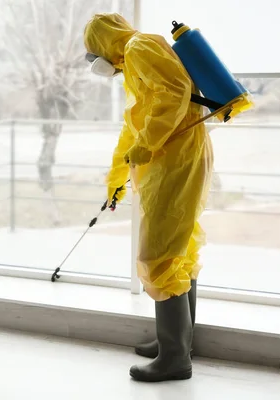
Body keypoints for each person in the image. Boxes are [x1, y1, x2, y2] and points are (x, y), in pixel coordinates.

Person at [83, 13, 213, 382]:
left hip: (175, 158)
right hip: (172, 158)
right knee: (176, 249)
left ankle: (175, 357)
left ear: (104, 43)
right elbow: (133, 125)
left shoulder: (139, 47)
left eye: (93, 53)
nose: (95, 62)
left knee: (157, 254)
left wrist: (146, 145)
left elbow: (172, 96)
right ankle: (176, 342)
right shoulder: (134, 60)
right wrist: (117, 178)